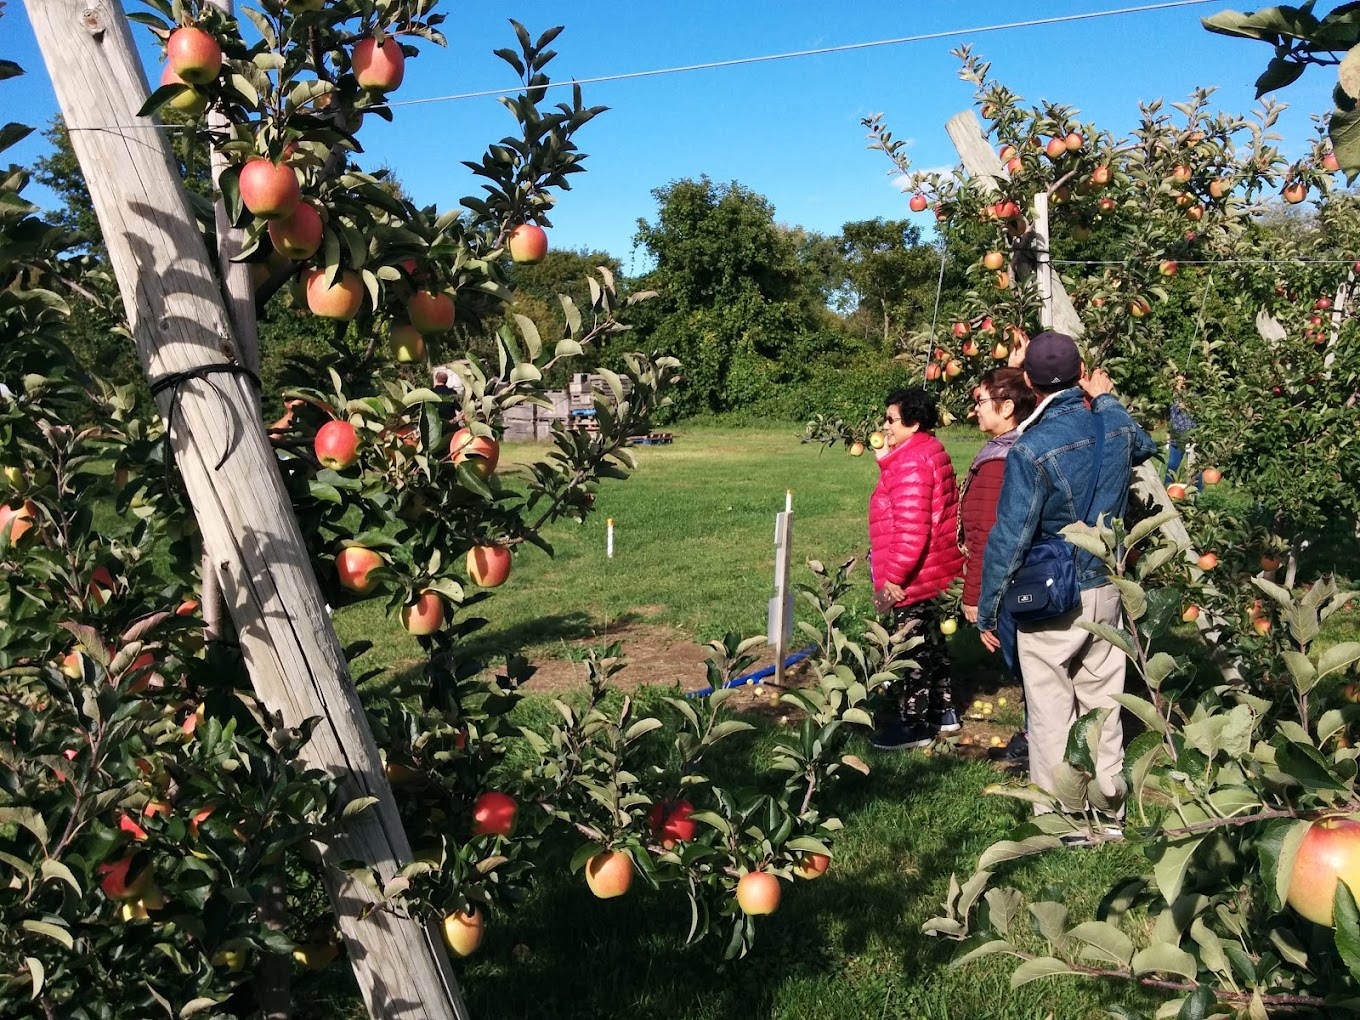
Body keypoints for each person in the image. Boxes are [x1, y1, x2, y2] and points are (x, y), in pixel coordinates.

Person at [975, 332, 1157, 832]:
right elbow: (1145, 444)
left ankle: (1064, 819)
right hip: (1106, 584)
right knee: (1102, 703)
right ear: (1082, 373)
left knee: (1052, 708)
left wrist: (989, 608)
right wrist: (1106, 397)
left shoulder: (1031, 447)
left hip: (1051, 591)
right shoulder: (1113, 424)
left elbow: (1010, 535)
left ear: (1028, 381)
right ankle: (1110, 810)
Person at [868, 387, 965, 750]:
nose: (885, 426)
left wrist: (893, 579)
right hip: (938, 573)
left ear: (914, 422)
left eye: (891, 419)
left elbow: (911, 531)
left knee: (911, 651)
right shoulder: (925, 452)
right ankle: (944, 712)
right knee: (933, 646)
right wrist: (885, 459)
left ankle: (915, 724)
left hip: (916, 576)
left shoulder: (911, 463)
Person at [957, 367, 1035, 769]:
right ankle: (1036, 737)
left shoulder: (999, 462)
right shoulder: (1022, 445)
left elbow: (987, 535)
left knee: (1029, 668)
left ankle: (1037, 743)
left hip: (1008, 585)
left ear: (1007, 407)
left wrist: (975, 599)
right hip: (1025, 579)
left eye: (981, 402)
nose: (975, 411)